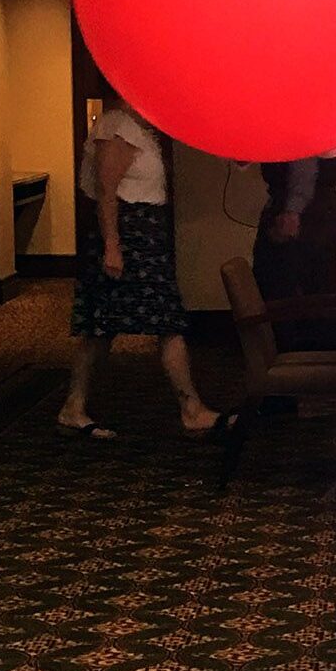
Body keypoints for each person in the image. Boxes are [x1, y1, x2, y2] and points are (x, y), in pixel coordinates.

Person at [57, 94, 227, 441]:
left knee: (107, 326)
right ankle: (190, 409)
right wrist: (112, 246)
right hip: (128, 237)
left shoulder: (138, 129)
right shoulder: (119, 127)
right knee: (152, 322)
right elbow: (106, 191)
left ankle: (74, 405)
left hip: (142, 235)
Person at [251, 156, 336, 350]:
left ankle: (290, 355)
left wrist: (292, 210)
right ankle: (317, 355)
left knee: (282, 289)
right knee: (317, 286)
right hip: (321, 211)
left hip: (304, 214)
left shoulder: (294, 130)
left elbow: (304, 163)